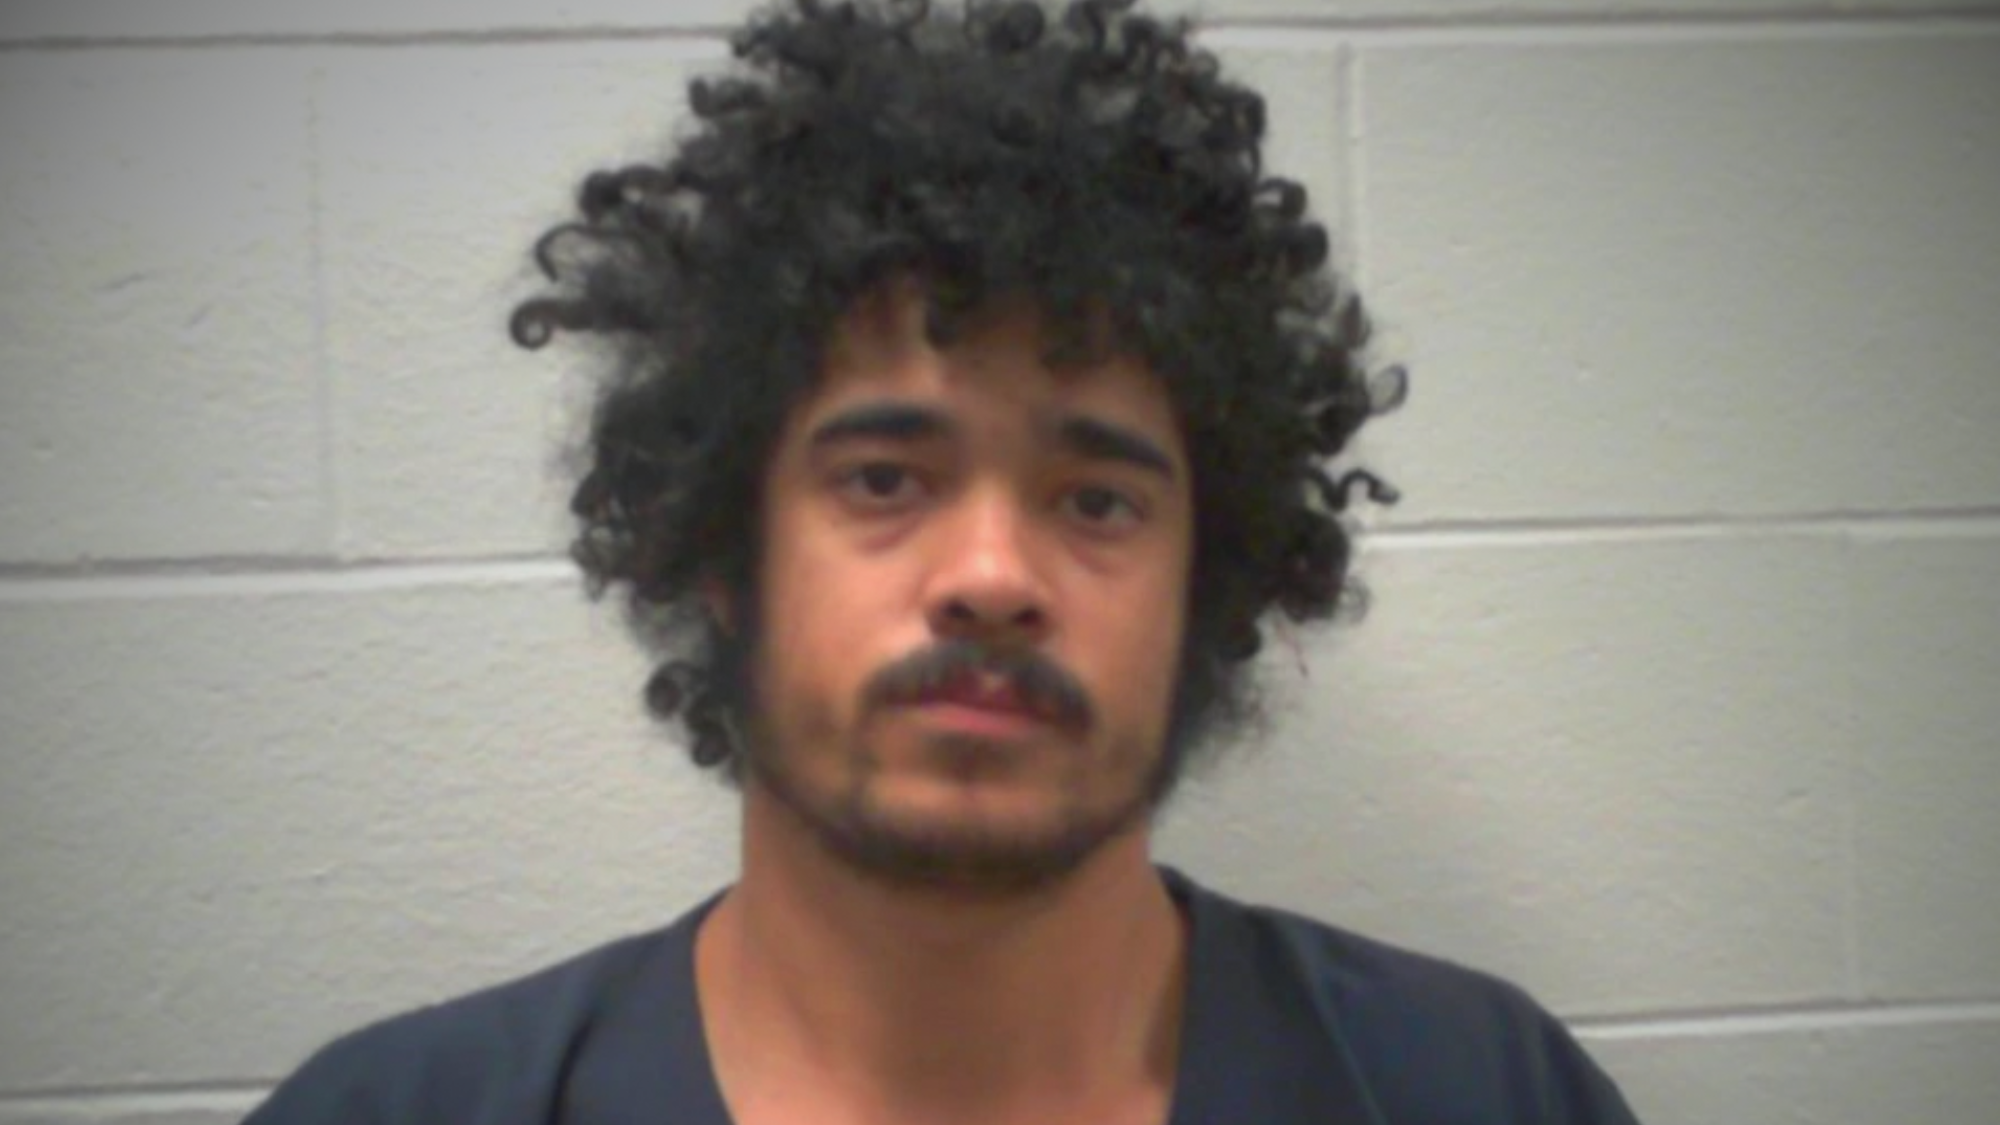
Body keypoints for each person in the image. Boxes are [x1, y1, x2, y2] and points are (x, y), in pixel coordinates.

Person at [247, 0, 1641, 1121]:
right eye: (883, 478)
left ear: (1205, 588)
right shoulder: (396, 1110)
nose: (991, 574)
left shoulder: (1481, 1089)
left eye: (1097, 502)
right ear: (721, 550)